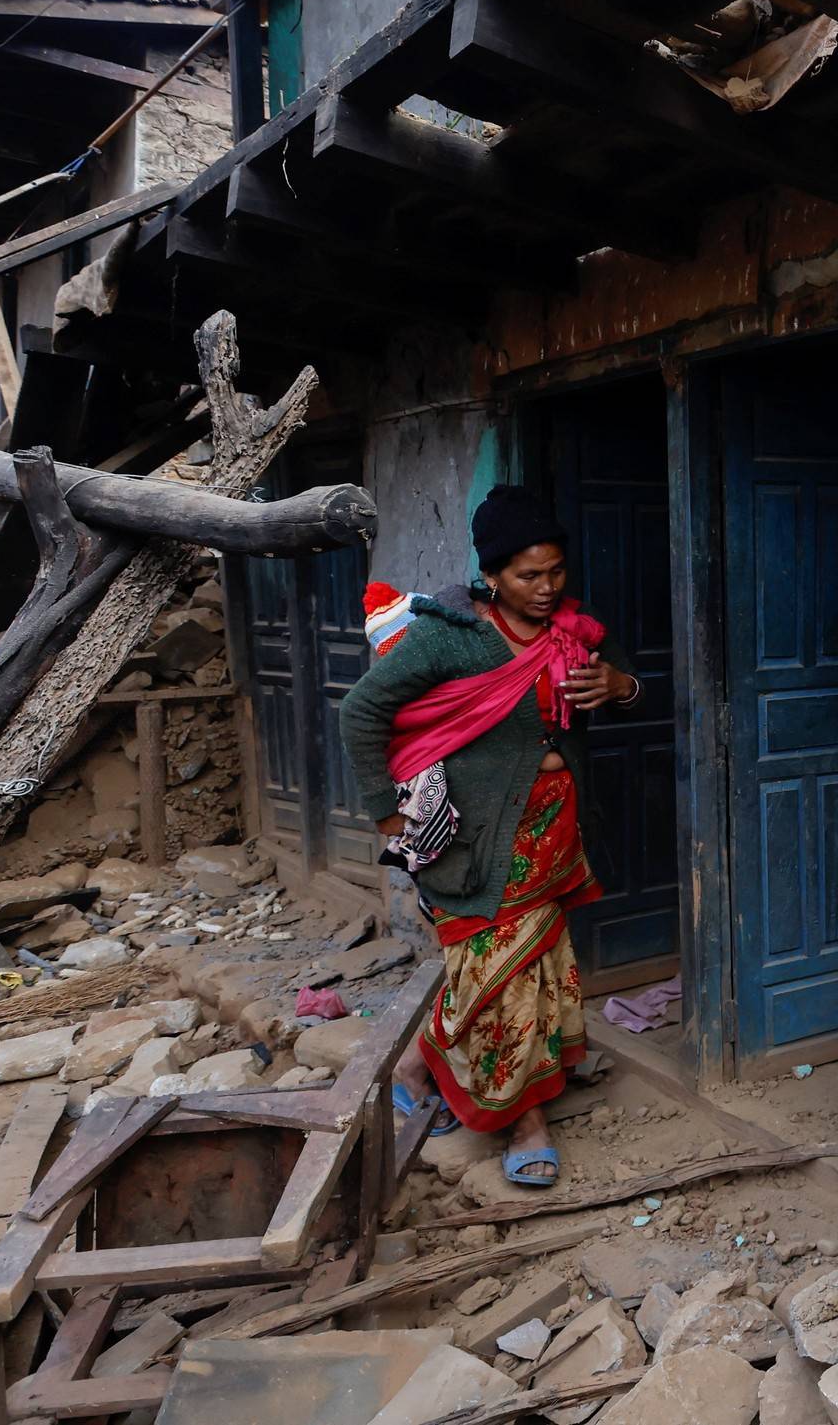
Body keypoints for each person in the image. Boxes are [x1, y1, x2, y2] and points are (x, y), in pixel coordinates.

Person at [338, 485, 641, 1187]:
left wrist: (620, 686)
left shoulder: (576, 631)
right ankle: (523, 1121)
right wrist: (387, 811)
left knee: (525, 963)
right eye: (529, 575)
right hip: (469, 840)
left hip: (553, 829)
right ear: (494, 574)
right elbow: (361, 711)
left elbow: (633, 692)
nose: (546, 587)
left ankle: (420, 1068)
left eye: (556, 570)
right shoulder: (454, 635)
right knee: (494, 970)